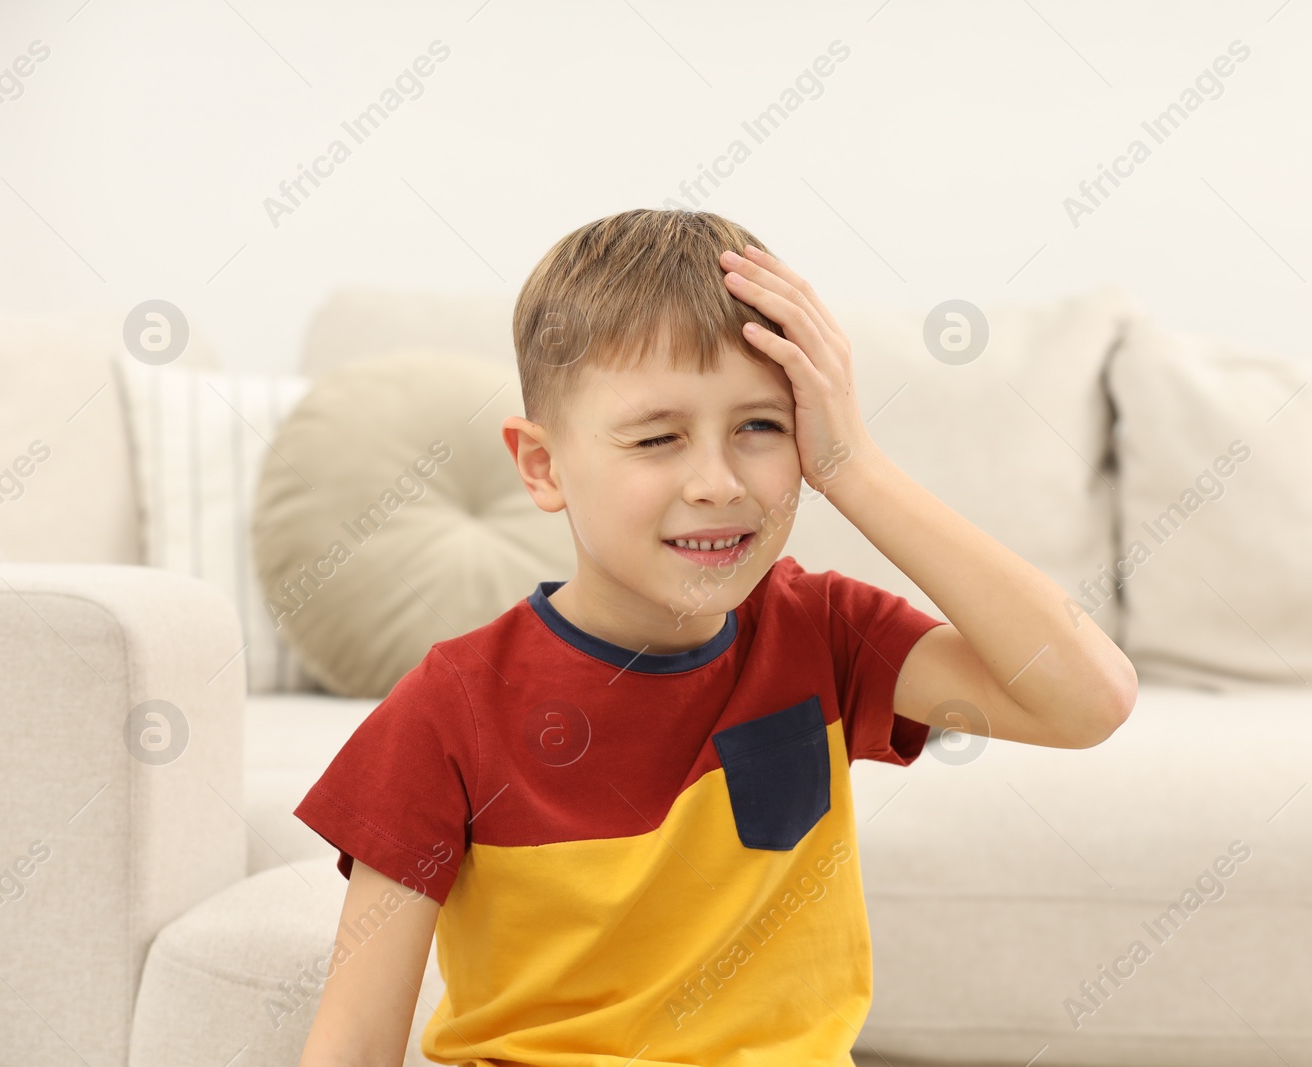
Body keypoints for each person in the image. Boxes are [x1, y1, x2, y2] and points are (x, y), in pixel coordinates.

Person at [294, 208, 1137, 1066]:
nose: (716, 482)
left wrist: (857, 468)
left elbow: (1088, 698)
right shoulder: (450, 706)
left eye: (761, 428)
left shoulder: (824, 631)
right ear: (542, 466)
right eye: (657, 437)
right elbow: (351, 1046)